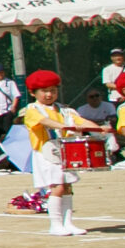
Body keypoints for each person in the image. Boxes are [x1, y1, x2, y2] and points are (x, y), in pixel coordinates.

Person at [20, 68, 105, 236]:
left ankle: (68, 223)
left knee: (67, 188)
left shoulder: (64, 110)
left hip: (65, 153)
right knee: (57, 187)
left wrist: (100, 129)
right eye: (44, 91)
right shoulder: (32, 110)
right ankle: (55, 224)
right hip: (46, 154)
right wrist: (67, 127)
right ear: (33, 93)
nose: (49, 95)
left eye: (53, 90)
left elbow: (81, 121)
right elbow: (46, 122)